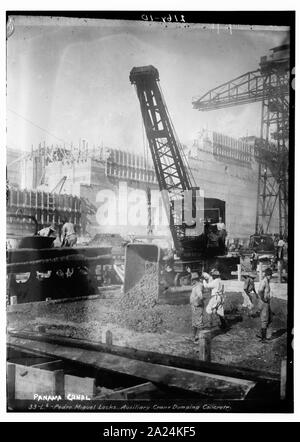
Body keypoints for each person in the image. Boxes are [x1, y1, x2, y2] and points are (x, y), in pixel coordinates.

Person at [256, 268, 273, 342]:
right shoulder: (264, 281)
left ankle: (261, 333)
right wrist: (263, 299)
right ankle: (263, 338)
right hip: (264, 303)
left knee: (270, 318)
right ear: (267, 275)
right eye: (269, 275)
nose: (270, 277)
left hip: (266, 302)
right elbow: (260, 291)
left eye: (270, 275)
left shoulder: (267, 281)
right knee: (265, 319)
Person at [189, 272, 205, 342]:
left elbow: (200, 296)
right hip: (194, 306)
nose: (192, 280)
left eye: (193, 279)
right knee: (194, 322)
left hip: (197, 306)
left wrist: (196, 301)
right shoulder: (195, 285)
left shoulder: (198, 286)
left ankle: (202, 339)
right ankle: (193, 337)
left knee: (199, 323)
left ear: (195, 279)